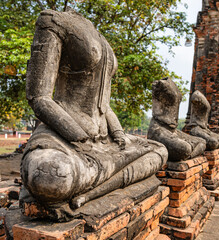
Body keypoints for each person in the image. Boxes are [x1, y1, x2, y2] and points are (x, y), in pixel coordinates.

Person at [22, 8, 167, 209]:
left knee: (159, 149)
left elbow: (104, 106)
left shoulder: (102, 38)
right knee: (51, 176)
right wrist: (79, 137)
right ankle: (109, 173)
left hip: (104, 140)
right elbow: (39, 98)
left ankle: (95, 190)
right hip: (65, 138)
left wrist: (118, 134)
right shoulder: (53, 21)